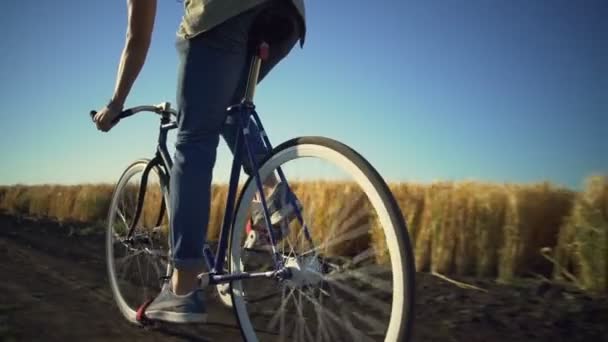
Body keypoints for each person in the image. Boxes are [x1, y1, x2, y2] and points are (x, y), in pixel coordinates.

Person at [93, 0, 305, 323]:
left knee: (193, 140)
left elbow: (137, 38)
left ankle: (182, 289)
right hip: (288, 14)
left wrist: (116, 103)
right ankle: (275, 195)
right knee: (227, 107)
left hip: (223, 13)